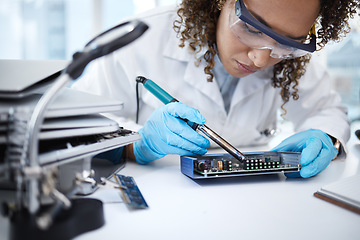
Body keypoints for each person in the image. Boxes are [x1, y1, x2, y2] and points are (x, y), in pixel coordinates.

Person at [72, 0, 359, 178]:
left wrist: (327, 139)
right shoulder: (141, 39)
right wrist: (137, 144)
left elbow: (326, 110)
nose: (261, 59)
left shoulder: (291, 61)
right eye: (254, 29)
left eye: (287, 43)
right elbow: (77, 130)